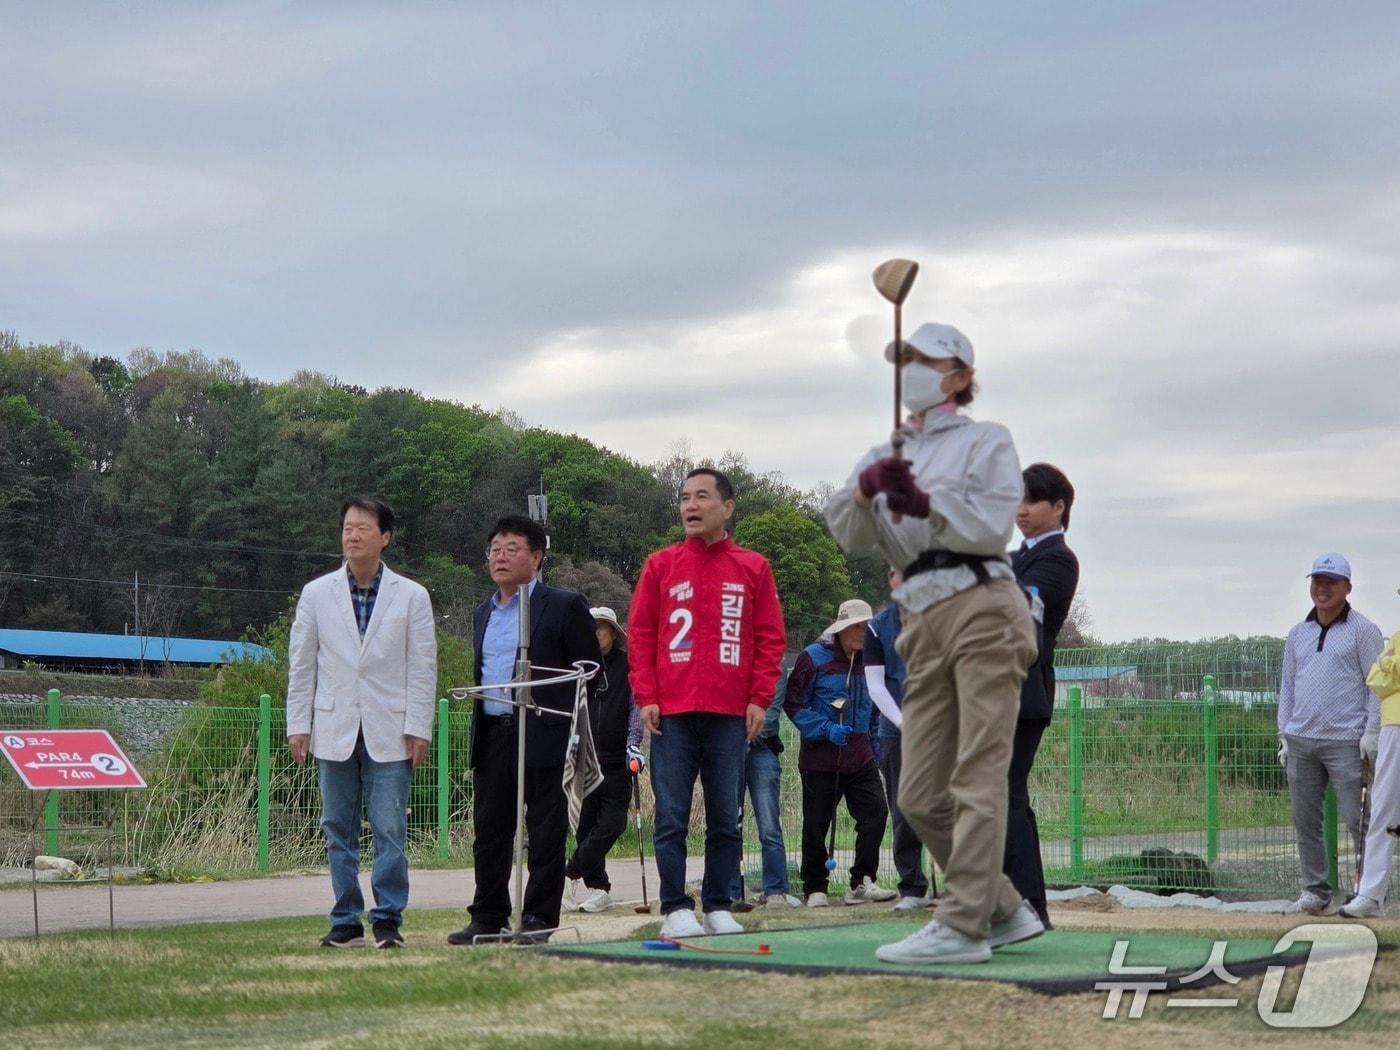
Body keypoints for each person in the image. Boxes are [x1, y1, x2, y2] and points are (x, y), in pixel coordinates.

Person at [824, 321, 1043, 965]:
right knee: (918, 792)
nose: (910, 368)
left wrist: (919, 498)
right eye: (903, 358)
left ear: (960, 376)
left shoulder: (987, 440)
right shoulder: (882, 451)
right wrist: (868, 491)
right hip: (917, 617)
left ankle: (964, 923)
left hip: (982, 602)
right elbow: (848, 533)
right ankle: (1002, 908)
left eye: (924, 359)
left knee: (977, 774)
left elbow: (987, 523)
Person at [628, 467, 787, 938]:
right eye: (683, 498)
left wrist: (759, 699)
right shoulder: (661, 565)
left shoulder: (753, 567)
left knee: (726, 815)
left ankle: (718, 903)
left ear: (728, 507)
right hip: (671, 713)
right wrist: (647, 696)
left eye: (701, 497)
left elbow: (769, 638)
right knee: (672, 813)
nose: (690, 506)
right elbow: (640, 635)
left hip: (729, 713)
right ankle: (675, 905)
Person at [286, 497, 437, 950]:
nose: (352, 535)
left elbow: (422, 666)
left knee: (390, 828)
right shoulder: (317, 593)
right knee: (337, 827)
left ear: (385, 537)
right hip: (333, 726)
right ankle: (346, 918)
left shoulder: (411, 596)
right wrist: (299, 724)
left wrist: (419, 726)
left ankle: (387, 918)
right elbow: (302, 665)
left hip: (390, 729)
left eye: (363, 528)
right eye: (347, 527)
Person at [448, 515, 602, 946]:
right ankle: (488, 915)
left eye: (511, 548)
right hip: (494, 731)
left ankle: (538, 918)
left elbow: (591, 672)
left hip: (544, 732)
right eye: (494, 548)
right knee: (491, 831)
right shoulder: (483, 612)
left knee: (546, 832)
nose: (500, 556)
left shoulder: (565, 605)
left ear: (536, 557)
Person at [1278, 553, 1384, 915]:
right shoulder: (1298, 634)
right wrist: (1284, 735)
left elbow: (1378, 687)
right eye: (1317, 581)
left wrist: (1371, 736)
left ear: (1347, 587)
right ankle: (1315, 890)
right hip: (1302, 739)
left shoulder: (1363, 630)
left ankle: (1369, 892)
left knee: (1359, 819)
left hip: (1347, 741)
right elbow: (1288, 689)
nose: (1322, 588)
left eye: (1331, 582)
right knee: (1305, 818)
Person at [1005, 463, 1080, 928]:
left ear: (1059, 507)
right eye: (1016, 499)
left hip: (1023, 691)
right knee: (1000, 797)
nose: (1021, 509)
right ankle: (1018, 906)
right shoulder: (1011, 560)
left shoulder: (1058, 560)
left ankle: (1028, 907)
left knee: (1004, 795)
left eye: (1031, 500)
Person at [785, 598, 896, 907]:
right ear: (842, 629)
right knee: (816, 823)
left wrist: (874, 750)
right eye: (857, 627)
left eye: (866, 627)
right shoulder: (813, 658)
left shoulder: (870, 662)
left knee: (876, 811)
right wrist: (823, 728)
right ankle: (815, 887)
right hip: (820, 758)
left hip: (860, 757)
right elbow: (794, 704)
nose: (862, 633)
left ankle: (862, 881)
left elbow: (874, 712)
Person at [563, 606, 645, 913]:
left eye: (602, 627)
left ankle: (571, 871)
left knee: (612, 823)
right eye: (592, 628)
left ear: (613, 632)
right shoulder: (579, 668)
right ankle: (599, 888)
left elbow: (637, 707)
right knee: (585, 827)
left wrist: (634, 743)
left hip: (617, 759)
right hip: (584, 759)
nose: (597, 633)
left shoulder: (627, 666)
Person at [864, 570, 935, 910]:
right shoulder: (878, 626)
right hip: (898, 731)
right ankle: (913, 888)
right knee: (905, 809)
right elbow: (876, 685)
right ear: (891, 578)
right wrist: (904, 721)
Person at [1341, 628, 1400, 917]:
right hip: (1393, 726)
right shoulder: (1398, 635)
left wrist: (1389, 664)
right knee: (1383, 811)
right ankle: (1371, 894)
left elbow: (1385, 672)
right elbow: (1375, 680)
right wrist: (1389, 666)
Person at [729, 692, 803, 909]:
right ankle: (729, 892)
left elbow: (771, 710)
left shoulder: (773, 663)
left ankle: (776, 891)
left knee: (769, 825)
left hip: (762, 751)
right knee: (729, 824)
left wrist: (748, 738)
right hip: (729, 751)